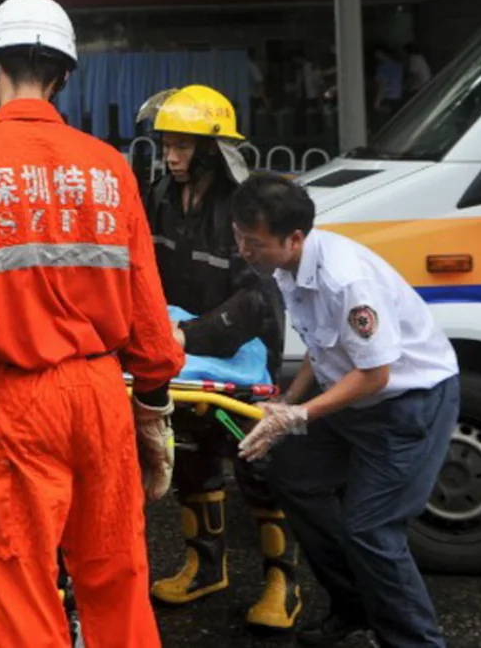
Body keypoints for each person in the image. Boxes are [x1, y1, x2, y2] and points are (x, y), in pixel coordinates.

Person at [0, 0, 185, 648]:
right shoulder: (110, 168)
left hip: (15, 401)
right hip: (102, 398)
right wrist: (155, 411)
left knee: (15, 578)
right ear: (63, 75)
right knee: (116, 573)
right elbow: (147, 307)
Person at [233, 173, 460, 648]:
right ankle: (357, 603)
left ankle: (415, 641)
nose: (244, 251)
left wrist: (302, 416)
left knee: (372, 528)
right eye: (239, 238)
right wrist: (287, 403)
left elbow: (376, 372)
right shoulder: (287, 266)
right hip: (352, 396)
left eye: (253, 242)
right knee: (294, 477)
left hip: (408, 402)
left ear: (294, 237)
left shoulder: (344, 278)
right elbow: (322, 348)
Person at [137, 86, 301, 633]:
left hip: (239, 359)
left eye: (182, 146)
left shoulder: (246, 204)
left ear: (211, 149)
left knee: (257, 462)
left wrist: (191, 334)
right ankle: (205, 568)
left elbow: (258, 295)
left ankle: (284, 583)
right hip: (184, 357)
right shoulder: (161, 194)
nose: (171, 156)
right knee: (189, 456)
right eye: (166, 145)